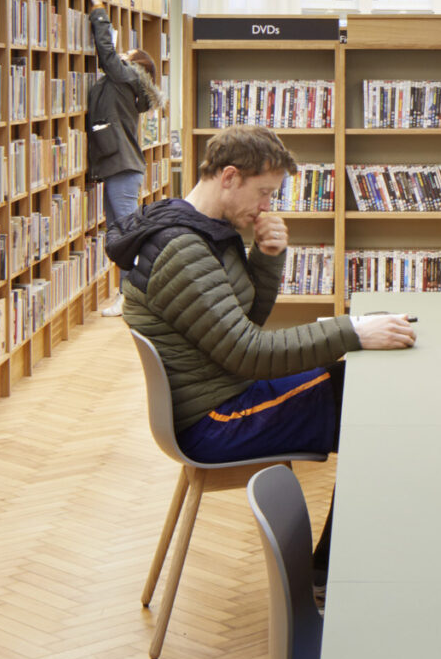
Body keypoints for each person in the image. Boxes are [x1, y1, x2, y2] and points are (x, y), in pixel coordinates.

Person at [115, 125, 414, 584]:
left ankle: (334, 564)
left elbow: (241, 320)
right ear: (230, 177)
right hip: (215, 421)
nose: (267, 206)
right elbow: (249, 351)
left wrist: (267, 256)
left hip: (227, 393)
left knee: (368, 392)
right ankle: (330, 571)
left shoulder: (202, 230)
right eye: (264, 192)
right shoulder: (183, 250)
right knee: (378, 413)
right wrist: (352, 331)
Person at [86, 0, 166, 227]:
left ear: (135, 64)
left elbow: (106, 52)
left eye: (128, 53)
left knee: (128, 234)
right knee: (118, 235)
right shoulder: (128, 83)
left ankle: (139, 268)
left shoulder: (126, 77)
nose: (122, 54)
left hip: (123, 169)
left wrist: (98, 7)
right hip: (122, 168)